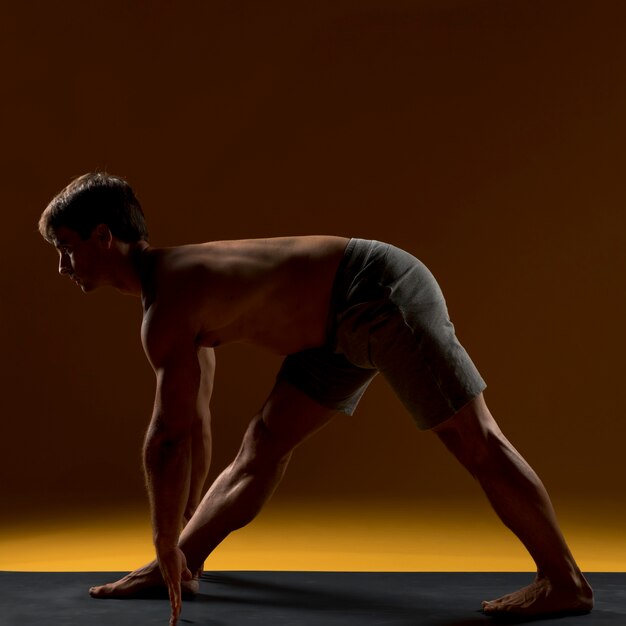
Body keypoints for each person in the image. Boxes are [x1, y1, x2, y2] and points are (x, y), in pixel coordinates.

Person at [39, 172, 594, 626]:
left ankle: (563, 581)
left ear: (104, 237)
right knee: (262, 444)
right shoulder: (172, 296)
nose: (62, 265)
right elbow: (195, 422)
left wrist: (163, 535)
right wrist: (175, 541)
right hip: (330, 332)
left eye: (66, 248)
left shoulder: (168, 305)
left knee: (473, 439)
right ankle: (180, 566)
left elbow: (168, 438)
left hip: (375, 291)